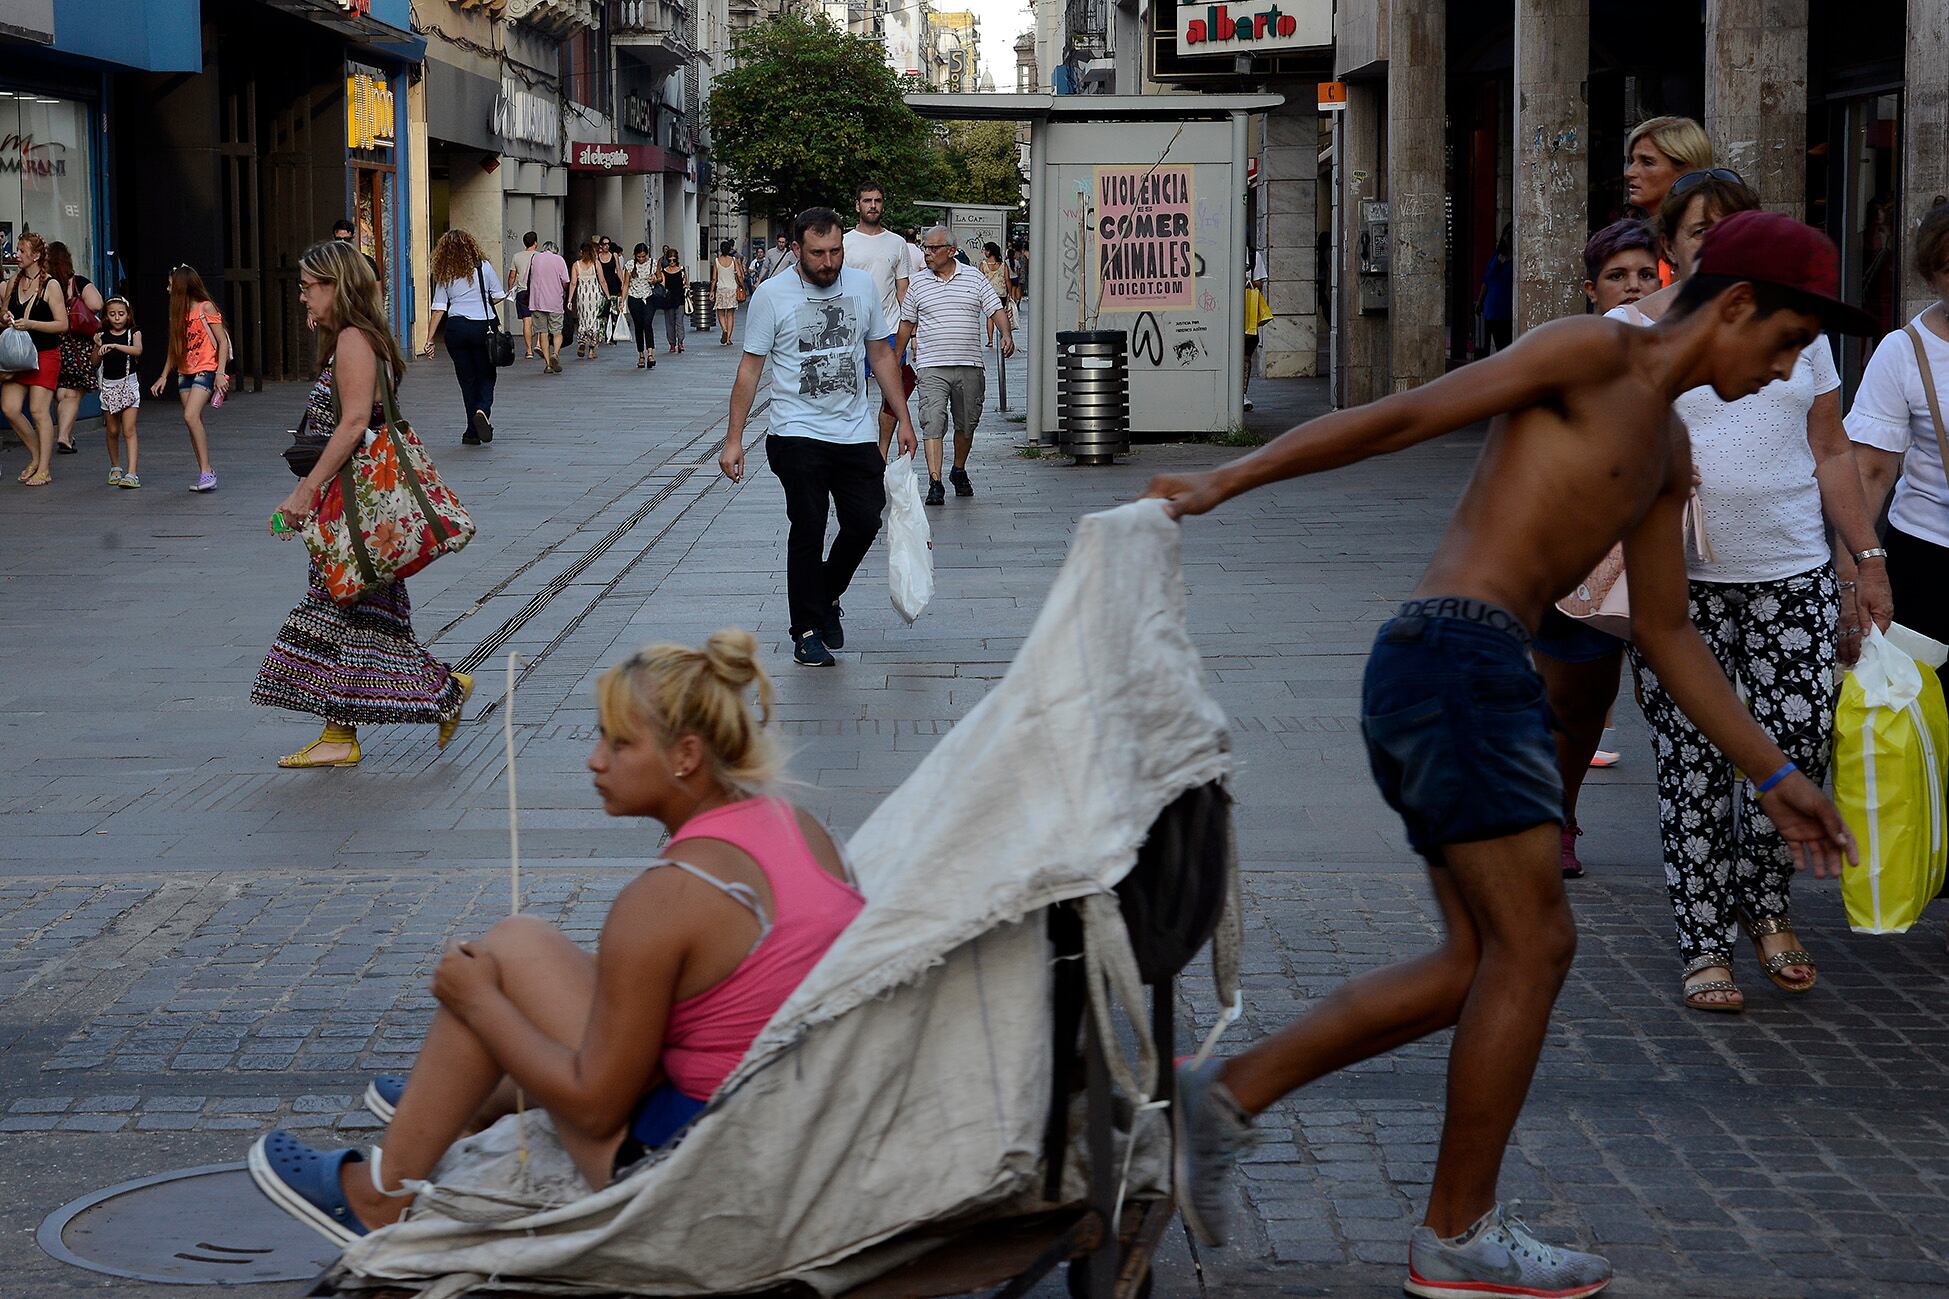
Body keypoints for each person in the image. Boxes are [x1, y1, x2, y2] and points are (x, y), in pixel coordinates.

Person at [1155, 210, 1866, 1299]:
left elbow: (1666, 636)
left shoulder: (1668, 452)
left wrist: (1773, 778)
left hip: (1472, 675)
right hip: (1455, 659)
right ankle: (1454, 1233)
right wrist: (1225, 481)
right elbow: (1402, 415)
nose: (1781, 373)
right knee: (1532, 949)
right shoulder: (1587, 353)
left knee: (1470, 965)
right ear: (1732, 305)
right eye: (1780, 346)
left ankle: (1224, 1097)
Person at [250, 632, 864, 1241]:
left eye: (619, 743)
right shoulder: (799, 828)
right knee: (526, 941)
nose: (595, 759)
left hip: (699, 1173)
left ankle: (380, 1198)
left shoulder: (670, 896)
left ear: (686, 755)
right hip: (798, 1132)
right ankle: (473, 1099)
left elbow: (595, 1106)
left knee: (497, 966)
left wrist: (478, 1003)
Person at [1612, 177, 1888, 1013]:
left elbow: (1831, 449)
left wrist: (1862, 558)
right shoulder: (1631, 333)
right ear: (1672, 242)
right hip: (1680, 585)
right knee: (1694, 761)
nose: (1713, 242)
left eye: (1729, 229)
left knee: (1796, 747)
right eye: (1699, 231)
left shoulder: (1797, 332)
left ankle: (1766, 909)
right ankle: (1702, 940)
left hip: (1792, 573)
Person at [250, 240, 470, 769]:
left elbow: (352, 424)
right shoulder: (356, 336)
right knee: (359, 617)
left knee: (342, 610)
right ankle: (368, 719)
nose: (302, 297)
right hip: (363, 510)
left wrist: (305, 491)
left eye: (309, 287)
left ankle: (365, 723)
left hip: (353, 507)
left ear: (336, 285)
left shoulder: (352, 340)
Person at [721, 208, 918, 667]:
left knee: (866, 521)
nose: (828, 262)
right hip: (795, 433)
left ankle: (825, 595)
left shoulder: (862, 286)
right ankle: (806, 630)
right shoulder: (772, 296)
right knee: (808, 525)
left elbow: (881, 356)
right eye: (817, 254)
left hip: (853, 431)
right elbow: (750, 370)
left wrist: (903, 418)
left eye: (835, 252)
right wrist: (733, 439)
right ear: (796, 251)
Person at [1532, 218, 1664, 878]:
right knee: (1575, 703)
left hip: (1669, 554)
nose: (1633, 286)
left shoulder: (1680, 352)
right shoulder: (1571, 358)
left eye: (1646, 274)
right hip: (1582, 555)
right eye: (1617, 276)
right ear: (1591, 289)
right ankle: (1557, 812)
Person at [1845, 199, 1949, 695]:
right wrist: (1855, 575)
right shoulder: (1905, 350)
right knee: (1928, 712)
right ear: (1931, 276)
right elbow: (1869, 471)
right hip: (1929, 558)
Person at [897, 224, 1011, 506]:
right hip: (931, 365)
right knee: (932, 421)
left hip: (969, 364)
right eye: (925, 247)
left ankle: (958, 468)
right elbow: (907, 323)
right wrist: (895, 358)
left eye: (934, 248)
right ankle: (935, 482)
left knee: (967, 424)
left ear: (951, 251)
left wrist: (1006, 334)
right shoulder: (918, 283)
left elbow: (995, 308)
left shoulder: (974, 278)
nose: (928, 253)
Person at [421, 228, 508, 446]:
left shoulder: (445, 272)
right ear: (471, 245)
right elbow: (498, 296)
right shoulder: (484, 267)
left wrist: (430, 339)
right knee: (487, 375)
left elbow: (439, 308)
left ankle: (471, 432)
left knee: (467, 379)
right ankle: (482, 410)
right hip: (482, 328)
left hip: (456, 328)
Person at [844, 181, 912, 450]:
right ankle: (856, 447)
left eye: (877, 200)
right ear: (857, 205)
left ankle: (881, 452)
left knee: (894, 395)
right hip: (853, 332)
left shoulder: (896, 243)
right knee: (852, 395)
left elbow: (903, 289)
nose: (872, 205)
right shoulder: (845, 242)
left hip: (891, 330)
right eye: (867, 200)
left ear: (883, 204)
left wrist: (912, 333)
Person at [149, 264, 228, 493]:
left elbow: (222, 341)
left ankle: (206, 471)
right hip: (184, 371)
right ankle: (206, 471)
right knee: (193, 422)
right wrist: (163, 375)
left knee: (190, 415)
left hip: (206, 368)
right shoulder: (178, 313)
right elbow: (174, 348)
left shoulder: (206, 308)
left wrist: (220, 373)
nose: (167, 289)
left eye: (171, 284)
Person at [1, 231, 67, 486]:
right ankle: (36, 455)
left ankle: (44, 469)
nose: (16, 255)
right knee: (10, 407)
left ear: (36, 255)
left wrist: (32, 324)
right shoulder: (13, 282)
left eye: (21, 250)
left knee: (39, 411)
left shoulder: (50, 285)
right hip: (17, 356)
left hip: (44, 355)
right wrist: (6, 318)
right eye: (17, 250)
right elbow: (3, 311)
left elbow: (63, 324)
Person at [46, 241, 102, 456]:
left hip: (53, 344)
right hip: (78, 345)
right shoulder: (77, 282)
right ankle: (63, 437)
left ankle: (66, 434)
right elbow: (97, 304)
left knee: (61, 393)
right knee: (73, 395)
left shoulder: (47, 285)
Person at [1622, 116, 1714, 219]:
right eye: (1632, 161)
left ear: (1687, 170)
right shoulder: (1634, 233)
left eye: (1647, 163)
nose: (1629, 173)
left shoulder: (1713, 233)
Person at [95, 296, 143, 488]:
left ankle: (132, 472)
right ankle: (115, 466)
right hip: (108, 385)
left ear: (128, 314)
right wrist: (98, 345)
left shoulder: (134, 332)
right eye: (112, 314)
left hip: (129, 383)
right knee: (112, 430)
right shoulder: (102, 334)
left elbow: (138, 350)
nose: (117, 318)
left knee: (129, 429)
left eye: (121, 314)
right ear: (106, 316)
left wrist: (115, 346)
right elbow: (94, 361)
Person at [527, 240, 571, 374]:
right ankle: (555, 354)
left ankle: (548, 365)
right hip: (554, 301)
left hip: (537, 301)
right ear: (555, 250)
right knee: (557, 331)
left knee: (543, 333)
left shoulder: (535, 258)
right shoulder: (559, 260)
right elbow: (565, 281)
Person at [1475, 225, 1514, 354]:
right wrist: (1480, 301)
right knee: (1495, 344)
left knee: (1505, 345)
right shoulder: (1496, 256)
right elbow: (1486, 280)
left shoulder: (1515, 259)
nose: (1508, 238)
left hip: (1506, 308)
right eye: (1507, 235)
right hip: (1492, 308)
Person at [624, 243, 659, 369]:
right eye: (639, 257)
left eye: (643, 256)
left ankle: (650, 354)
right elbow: (626, 283)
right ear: (635, 255)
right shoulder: (629, 265)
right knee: (638, 326)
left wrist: (654, 280)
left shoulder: (653, 264)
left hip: (649, 297)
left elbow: (660, 278)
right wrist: (622, 301)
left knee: (647, 323)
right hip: (634, 298)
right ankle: (641, 355)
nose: (641, 259)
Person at [1242, 271, 1273, 411]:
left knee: (1245, 356)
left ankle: (1242, 394)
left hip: (1248, 312)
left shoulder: (1254, 257)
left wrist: (1245, 281)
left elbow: (1260, 284)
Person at [572, 239, 606, 360]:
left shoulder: (576, 265)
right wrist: (607, 295)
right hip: (594, 295)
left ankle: (582, 342)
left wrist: (569, 300)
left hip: (582, 296)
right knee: (594, 321)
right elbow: (602, 280)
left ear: (581, 252)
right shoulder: (596, 263)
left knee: (583, 320)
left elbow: (573, 283)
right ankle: (591, 351)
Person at [510, 230, 539, 360]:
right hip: (537, 292)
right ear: (536, 243)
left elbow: (512, 276)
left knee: (526, 321)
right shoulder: (539, 256)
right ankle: (539, 344)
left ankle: (529, 351)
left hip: (522, 292)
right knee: (540, 319)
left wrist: (510, 289)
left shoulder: (516, 256)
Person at [711, 239, 744, 346]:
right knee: (730, 315)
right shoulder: (734, 260)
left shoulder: (716, 261)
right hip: (732, 289)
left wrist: (712, 291)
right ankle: (729, 338)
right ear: (730, 249)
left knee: (720, 313)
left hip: (721, 289)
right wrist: (742, 286)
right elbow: (739, 275)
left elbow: (714, 278)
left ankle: (724, 330)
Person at [978, 241, 1012, 345]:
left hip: (988, 294)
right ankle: (1005, 336)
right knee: (1003, 315)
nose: (984, 252)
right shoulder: (1002, 265)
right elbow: (1007, 280)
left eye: (985, 250)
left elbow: (980, 279)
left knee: (990, 317)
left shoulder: (983, 265)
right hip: (1001, 293)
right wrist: (1009, 294)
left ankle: (990, 340)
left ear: (989, 251)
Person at [657, 247, 688, 355]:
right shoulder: (664, 272)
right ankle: (672, 343)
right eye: (669, 260)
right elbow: (663, 286)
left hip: (679, 298)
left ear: (677, 259)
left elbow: (686, 284)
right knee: (669, 322)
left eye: (674, 260)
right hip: (669, 299)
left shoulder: (682, 270)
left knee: (679, 321)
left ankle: (680, 342)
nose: (672, 262)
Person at [597, 236, 625, 343]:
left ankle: (614, 334)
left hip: (613, 285)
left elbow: (618, 269)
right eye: (604, 244)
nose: (606, 246)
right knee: (603, 310)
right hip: (602, 286)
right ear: (601, 245)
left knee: (614, 311)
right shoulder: (597, 258)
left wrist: (622, 283)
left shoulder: (614, 256)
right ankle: (602, 334)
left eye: (608, 243)